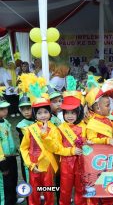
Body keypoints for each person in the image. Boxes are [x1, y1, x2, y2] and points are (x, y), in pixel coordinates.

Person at [43, 76, 87, 205]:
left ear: (79, 113)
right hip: (66, 164)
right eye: (67, 113)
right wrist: (45, 136)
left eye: (73, 113)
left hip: (82, 163)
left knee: (80, 189)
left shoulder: (84, 126)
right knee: (65, 190)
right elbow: (56, 147)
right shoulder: (60, 128)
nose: (70, 116)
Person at [20, 82, 59, 205]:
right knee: (34, 191)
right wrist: (30, 164)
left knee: (48, 190)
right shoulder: (30, 129)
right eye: (39, 113)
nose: (43, 115)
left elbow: (55, 147)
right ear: (35, 115)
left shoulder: (54, 129)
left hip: (47, 165)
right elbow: (24, 148)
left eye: (45, 112)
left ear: (50, 113)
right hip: (34, 164)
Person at [85, 75, 113, 205]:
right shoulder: (92, 123)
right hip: (96, 163)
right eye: (108, 105)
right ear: (97, 108)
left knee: (108, 184)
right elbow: (91, 140)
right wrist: (106, 141)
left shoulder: (109, 119)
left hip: (109, 161)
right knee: (96, 185)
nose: (110, 107)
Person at [0, 88, 20, 204]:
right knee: (4, 184)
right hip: (3, 160)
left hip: (11, 157)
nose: (6, 111)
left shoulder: (5, 121)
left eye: (6, 108)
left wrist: (15, 149)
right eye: (2, 109)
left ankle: (13, 199)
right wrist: (2, 163)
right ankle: (4, 202)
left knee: (13, 180)